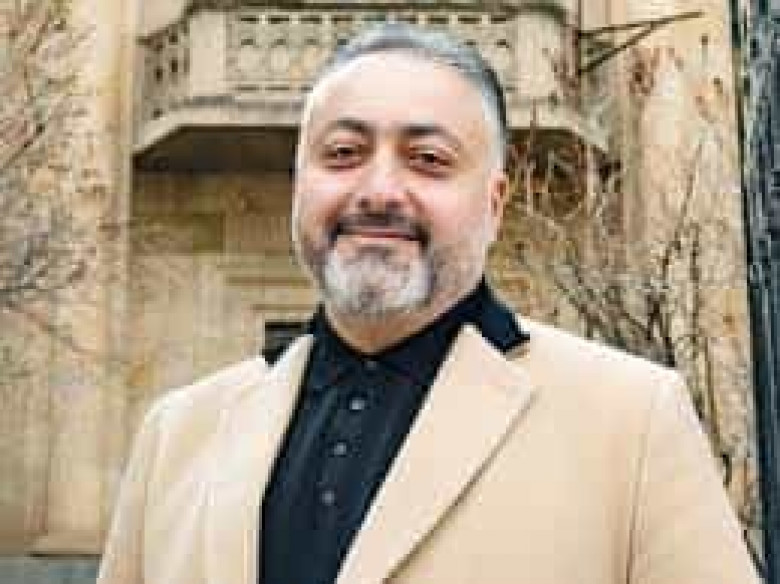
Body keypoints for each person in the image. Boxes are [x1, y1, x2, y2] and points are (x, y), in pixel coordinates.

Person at [97, 23, 758, 584]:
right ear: (301, 185)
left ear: (495, 203)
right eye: (344, 153)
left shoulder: (635, 423)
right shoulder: (174, 437)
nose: (379, 190)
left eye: (429, 159)